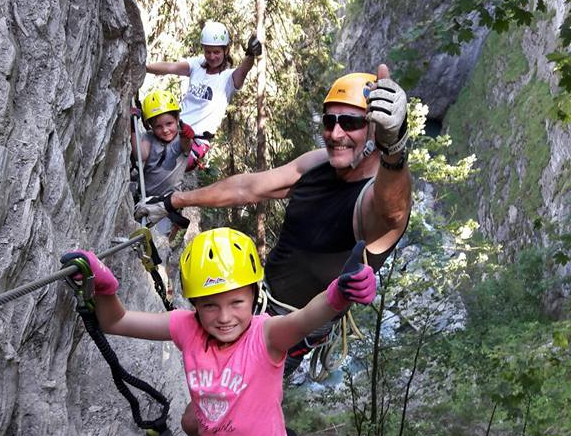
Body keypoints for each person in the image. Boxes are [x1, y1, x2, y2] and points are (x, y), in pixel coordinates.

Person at [134, 64, 413, 377]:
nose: (336, 134)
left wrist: (394, 148)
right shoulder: (319, 164)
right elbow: (247, 187)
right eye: (329, 121)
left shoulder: (372, 199)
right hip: (258, 305)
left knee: (236, 399)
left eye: (350, 123)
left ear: (375, 130)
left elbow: (392, 213)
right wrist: (172, 201)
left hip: (289, 333)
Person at [70, 228, 376, 436]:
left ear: (254, 296)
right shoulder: (186, 327)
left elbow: (304, 319)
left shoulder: (266, 336)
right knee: (192, 423)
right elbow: (116, 322)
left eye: (236, 302)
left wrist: (338, 296)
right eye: (210, 305)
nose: (225, 317)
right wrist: (104, 287)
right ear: (195, 305)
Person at [146, 21, 263, 169]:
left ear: (226, 50)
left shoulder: (228, 78)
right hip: (175, 130)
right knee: (144, 150)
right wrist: (145, 68)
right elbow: (170, 67)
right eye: (208, 52)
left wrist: (251, 54)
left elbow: (244, 69)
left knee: (170, 163)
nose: (212, 56)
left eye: (216, 52)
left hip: (196, 140)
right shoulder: (197, 65)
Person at [133, 89, 194, 199]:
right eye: (158, 126)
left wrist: (186, 136)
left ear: (177, 119)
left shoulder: (181, 140)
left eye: (169, 123)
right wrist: (133, 129)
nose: (165, 130)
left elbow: (187, 146)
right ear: (151, 126)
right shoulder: (150, 137)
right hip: (145, 195)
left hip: (170, 199)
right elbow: (140, 155)